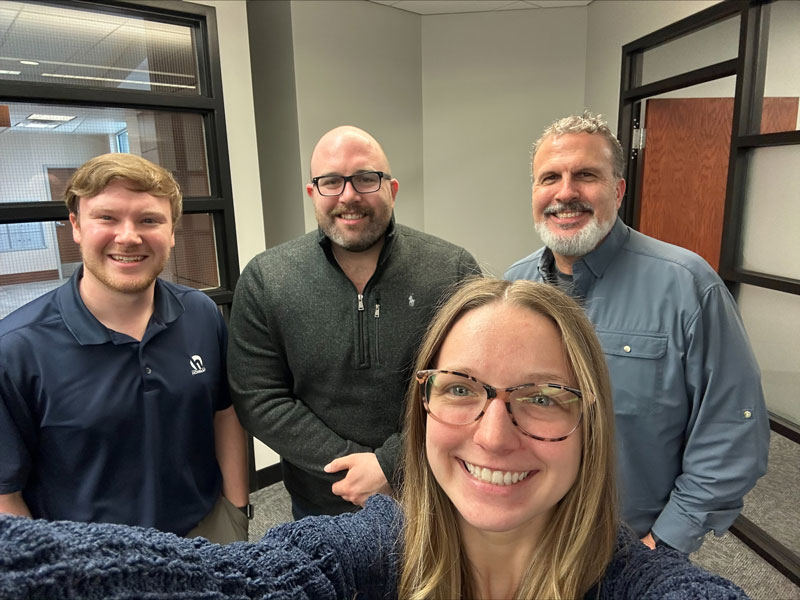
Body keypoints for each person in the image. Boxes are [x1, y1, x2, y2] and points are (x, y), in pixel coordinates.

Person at [0, 279, 748, 599]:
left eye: (542, 398)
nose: (493, 434)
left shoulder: (640, 582)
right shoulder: (361, 557)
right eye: (460, 388)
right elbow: (223, 577)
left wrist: (384, 460)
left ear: (590, 421)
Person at [505, 111, 769, 554]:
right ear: (534, 191)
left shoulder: (688, 286)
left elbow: (732, 429)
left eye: (585, 175)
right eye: (549, 177)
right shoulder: (515, 287)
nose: (565, 193)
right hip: (529, 536)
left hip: (632, 545)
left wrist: (664, 543)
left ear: (618, 189)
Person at [228, 125, 480, 518]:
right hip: (321, 501)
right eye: (331, 181)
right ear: (313, 194)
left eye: (366, 179)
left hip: (434, 494)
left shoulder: (452, 270)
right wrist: (352, 465)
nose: (348, 196)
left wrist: (389, 464)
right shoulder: (267, 279)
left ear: (391, 190)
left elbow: (472, 384)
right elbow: (258, 396)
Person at [0, 153, 250, 543]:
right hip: (90, 566)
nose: (129, 236)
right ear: (76, 226)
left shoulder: (201, 314)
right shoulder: (16, 350)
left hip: (204, 539)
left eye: (149, 220)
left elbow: (224, 414)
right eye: (107, 218)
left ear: (171, 233)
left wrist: (235, 515)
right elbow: (6, 492)